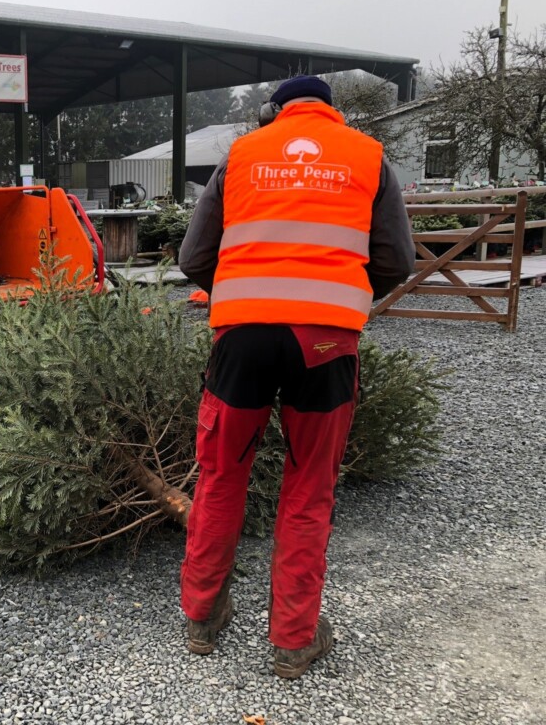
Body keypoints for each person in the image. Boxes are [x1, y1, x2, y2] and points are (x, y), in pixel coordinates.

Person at [177, 75, 415, 679]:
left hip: (242, 339)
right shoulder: (369, 157)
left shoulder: (242, 156)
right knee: (310, 488)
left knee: (221, 474)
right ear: (331, 113)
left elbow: (192, 257)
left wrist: (240, 297)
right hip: (326, 341)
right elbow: (396, 261)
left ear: (272, 112)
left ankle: (203, 617)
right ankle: (293, 639)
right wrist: (342, 307)